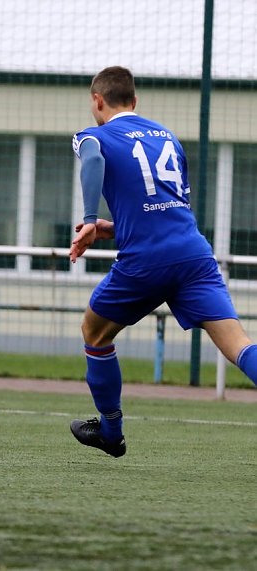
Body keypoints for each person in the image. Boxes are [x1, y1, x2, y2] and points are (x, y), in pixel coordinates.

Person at [69, 65, 257, 458]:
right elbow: (166, 208)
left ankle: (111, 431)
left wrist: (88, 221)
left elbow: (92, 161)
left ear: (97, 101)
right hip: (193, 255)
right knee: (239, 345)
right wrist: (113, 227)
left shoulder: (94, 135)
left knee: (95, 332)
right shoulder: (167, 137)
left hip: (146, 261)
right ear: (135, 101)